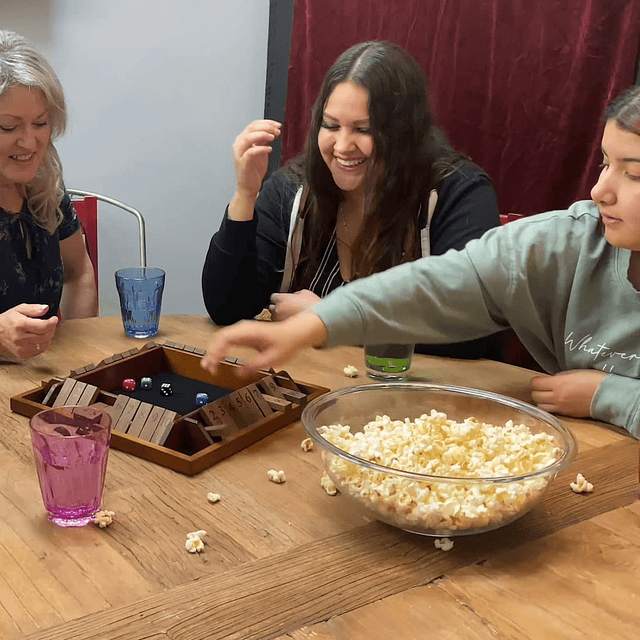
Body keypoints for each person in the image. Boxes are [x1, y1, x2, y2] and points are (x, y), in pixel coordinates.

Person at [202, 85, 640, 440]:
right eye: (604, 163)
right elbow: (440, 284)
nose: (601, 189)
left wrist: (611, 394)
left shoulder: (456, 189)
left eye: (633, 173)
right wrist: (313, 326)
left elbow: (474, 344)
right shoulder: (570, 237)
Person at [202, 41, 501, 359]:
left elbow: (475, 332)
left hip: (421, 400)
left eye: (364, 129)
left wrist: (331, 319)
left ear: (403, 132)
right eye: (330, 125)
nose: (342, 146)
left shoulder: (459, 193)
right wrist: (245, 195)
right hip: (312, 388)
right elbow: (227, 309)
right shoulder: (293, 189)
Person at [0, 30, 97, 361]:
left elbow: (78, 272)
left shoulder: (46, 187)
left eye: (39, 123)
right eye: (8, 127)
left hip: (44, 378)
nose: (29, 143)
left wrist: (79, 362)